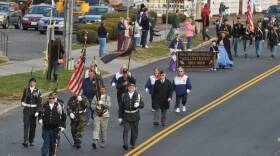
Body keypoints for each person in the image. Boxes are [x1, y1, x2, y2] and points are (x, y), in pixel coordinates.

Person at [118, 83, 144, 150]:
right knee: (126, 130)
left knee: (134, 131)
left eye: (133, 87)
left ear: (135, 88)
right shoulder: (124, 95)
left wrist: (138, 105)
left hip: (135, 115)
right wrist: (120, 117)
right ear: (128, 88)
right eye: (130, 87)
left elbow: (142, 105)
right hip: (126, 115)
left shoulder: (138, 95)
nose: (131, 88)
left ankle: (132, 143)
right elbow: (121, 107)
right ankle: (125, 144)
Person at [21, 77, 42, 147]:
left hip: (33, 110)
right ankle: (25, 141)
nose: (32, 83)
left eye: (33, 82)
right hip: (27, 109)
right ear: (29, 82)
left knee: (33, 126)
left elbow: (39, 102)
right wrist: (22, 103)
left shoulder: (37, 91)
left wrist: (37, 111)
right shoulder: (26, 90)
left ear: (35, 83)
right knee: (26, 125)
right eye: (31, 82)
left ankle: (31, 140)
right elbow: (23, 99)